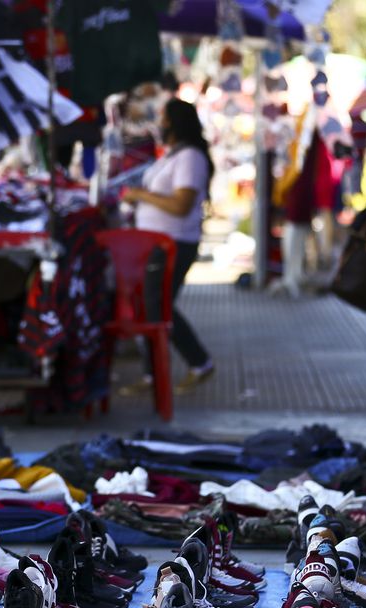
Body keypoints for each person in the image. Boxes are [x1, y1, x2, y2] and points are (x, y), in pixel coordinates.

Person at [121, 98, 214, 394]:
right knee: (154, 308)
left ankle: (197, 362)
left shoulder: (190, 158)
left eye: (162, 118)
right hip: (157, 244)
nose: (158, 124)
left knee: (159, 308)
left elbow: (181, 204)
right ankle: (155, 374)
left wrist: (140, 196)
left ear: (173, 122)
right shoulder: (173, 156)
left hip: (174, 244)